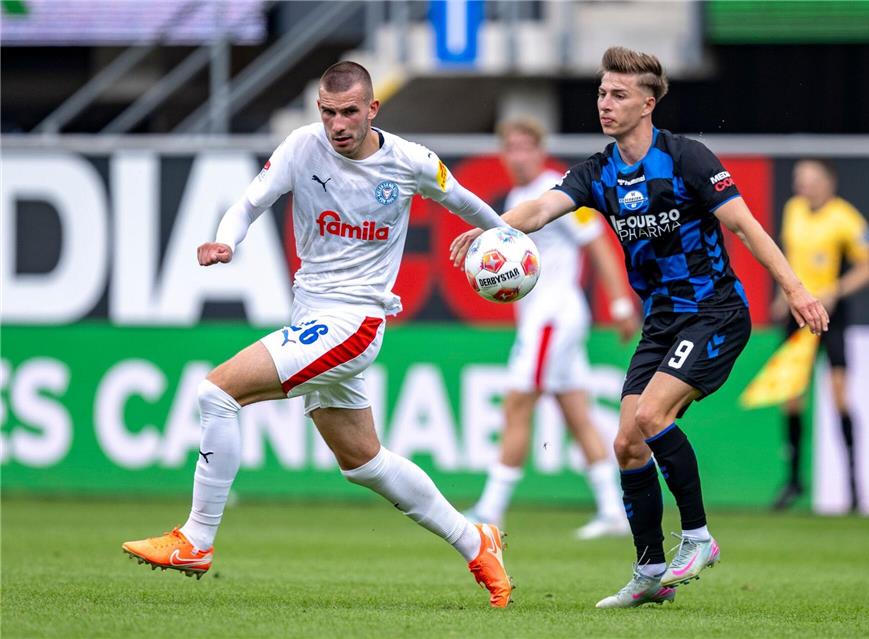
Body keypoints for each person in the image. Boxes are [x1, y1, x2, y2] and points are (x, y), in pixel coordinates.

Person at [122, 61, 513, 608]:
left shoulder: (412, 162)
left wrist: (507, 235)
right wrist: (225, 240)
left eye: (349, 111)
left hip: (354, 321)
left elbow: (466, 201)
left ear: (372, 109)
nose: (337, 124)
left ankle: (197, 538)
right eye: (328, 112)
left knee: (216, 393)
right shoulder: (301, 148)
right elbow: (250, 203)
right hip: (309, 317)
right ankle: (477, 540)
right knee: (364, 463)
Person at [451, 46, 828, 608]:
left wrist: (795, 289)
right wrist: (490, 231)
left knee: (651, 416)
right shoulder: (600, 172)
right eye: (602, 93)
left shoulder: (688, 159)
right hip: (662, 325)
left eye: (619, 95)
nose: (605, 103)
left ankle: (698, 537)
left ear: (648, 103)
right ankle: (650, 572)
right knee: (627, 442)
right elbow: (538, 210)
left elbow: (746, 227)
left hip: (714, 314)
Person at [466, 118, 640, 540]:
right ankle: (613, 510)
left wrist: (619, 303)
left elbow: (596, 241)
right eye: (512, 147)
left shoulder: (555, 192)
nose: (519, 155)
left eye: (527, 146)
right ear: (504, 153)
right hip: (544, 318)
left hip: (553, 318)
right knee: (576, 412)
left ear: (539, 150)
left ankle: (491, 509)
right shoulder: (518, 197)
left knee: (516, 405)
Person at [772, 159, 869, 513]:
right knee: (791, 398)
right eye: (799, 179)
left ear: (828, 183)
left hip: (831, 314)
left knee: (838, 396)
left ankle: (853, 486)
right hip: (798, 314)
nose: (803, 185)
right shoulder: (793, 210)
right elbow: (789, 257)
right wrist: (780, 294)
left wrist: (836, 290)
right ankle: (792, 480)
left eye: (810, 179)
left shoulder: (845, 218)